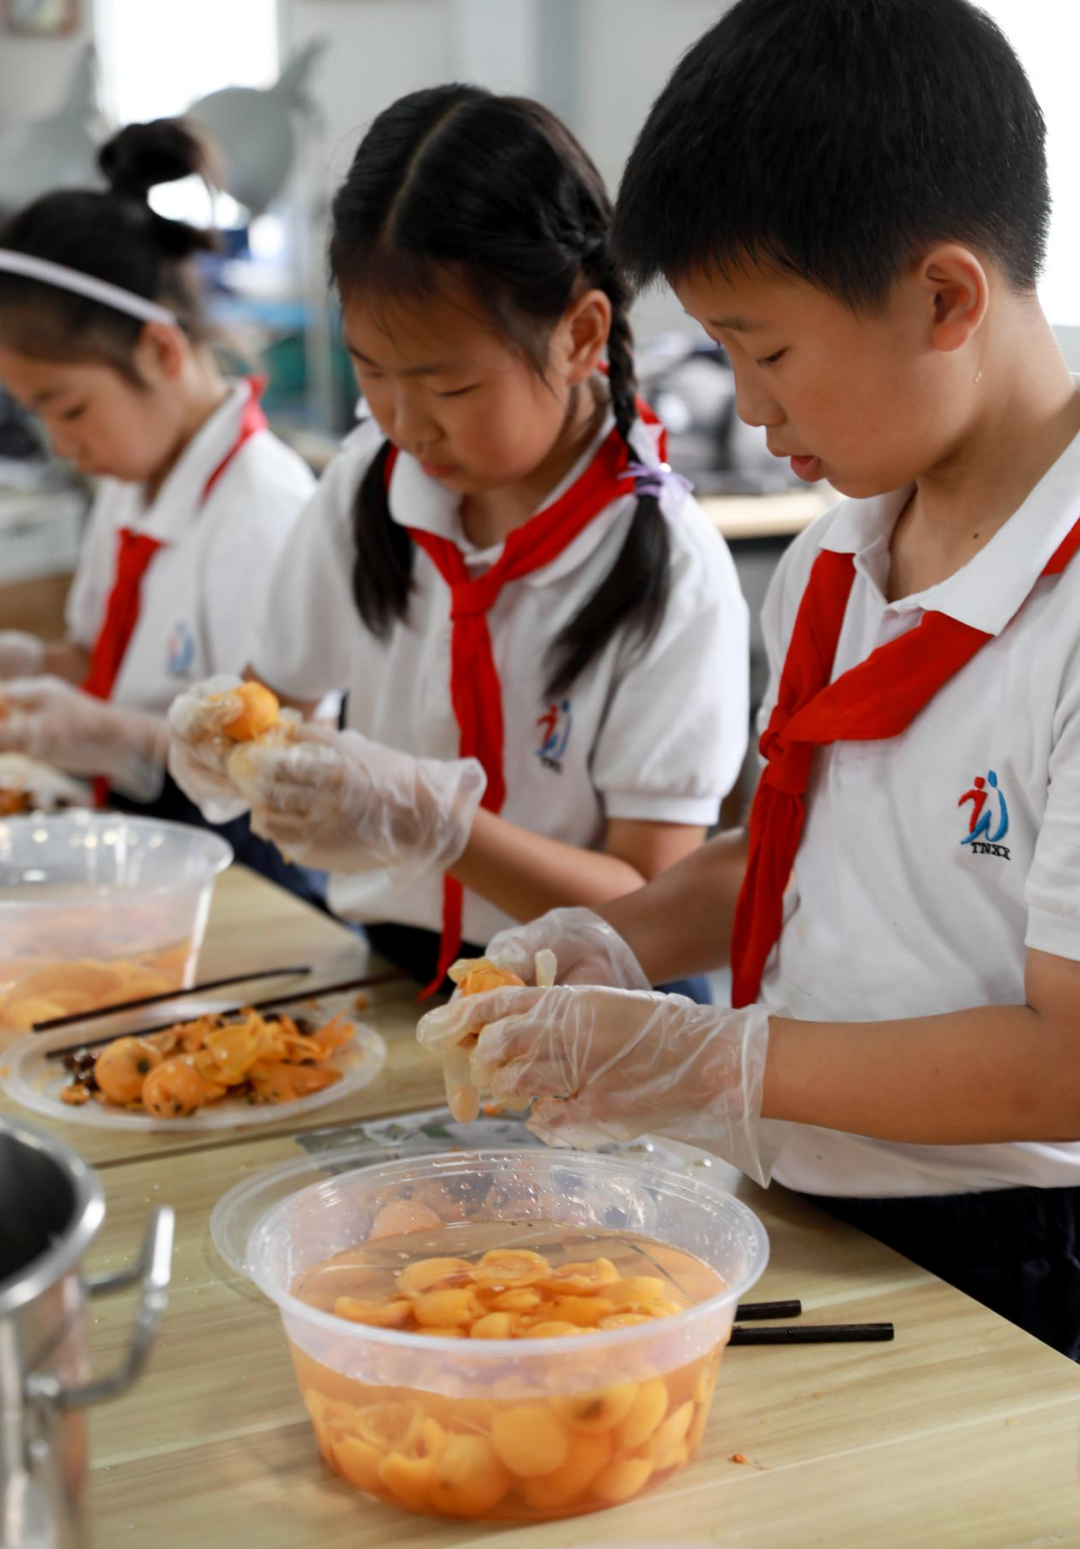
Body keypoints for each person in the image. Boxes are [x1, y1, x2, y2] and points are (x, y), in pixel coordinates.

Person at [420, 0, 1080, 1361]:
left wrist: (720, 1062)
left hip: (1014, 1250)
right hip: (808, 1196)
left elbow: (1068, 1059)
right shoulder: (841, 552)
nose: (749, 404)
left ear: (945, 297)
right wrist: (618, 945)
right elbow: (796, 854)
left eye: (766, 349)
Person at [168, 85, 749, 995]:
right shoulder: (367, 489)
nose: (407, 425)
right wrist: (228, 740)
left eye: (449, 389)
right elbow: (273, 703)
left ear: (581, 334)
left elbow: (649, 899)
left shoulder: (666, 567)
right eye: (372, 373)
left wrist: (443, 823)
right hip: (393, 972)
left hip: (589, 999)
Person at [0, 118, 318, 896]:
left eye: (68, 408)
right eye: (34, 415)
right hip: (141, 848)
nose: (61, 444)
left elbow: (273, 756)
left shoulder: (262, 510)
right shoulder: (128, 480)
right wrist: (32, 664)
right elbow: (101, 654)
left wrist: (110, 734)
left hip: (247, 870)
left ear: (160, 352)